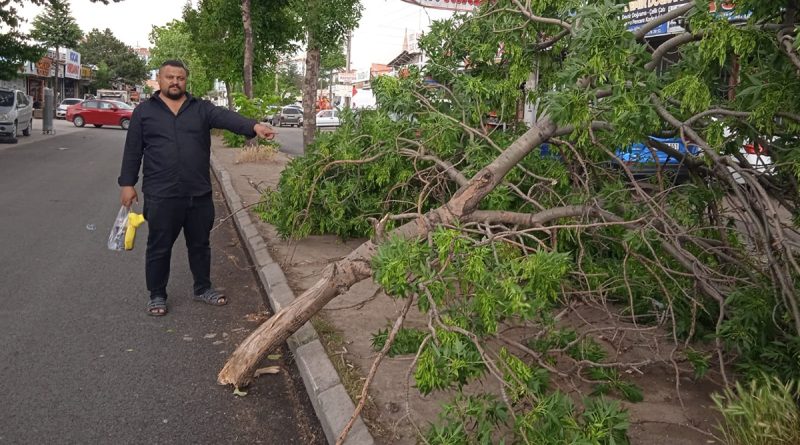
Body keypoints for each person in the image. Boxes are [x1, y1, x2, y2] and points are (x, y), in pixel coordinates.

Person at [118, 59, 275, 316]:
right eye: (170, 77)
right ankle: (157, 294)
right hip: (161, 194)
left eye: (180, 77)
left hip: (198, 193)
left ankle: (203, 288)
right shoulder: (144, 112)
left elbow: (225, 118)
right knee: (159, 246)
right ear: (159, 80)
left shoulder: (200, 108)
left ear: (185, 81)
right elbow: (133, 150)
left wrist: (254, 126)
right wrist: (127, 183)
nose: (175, 82)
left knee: (200, 244)